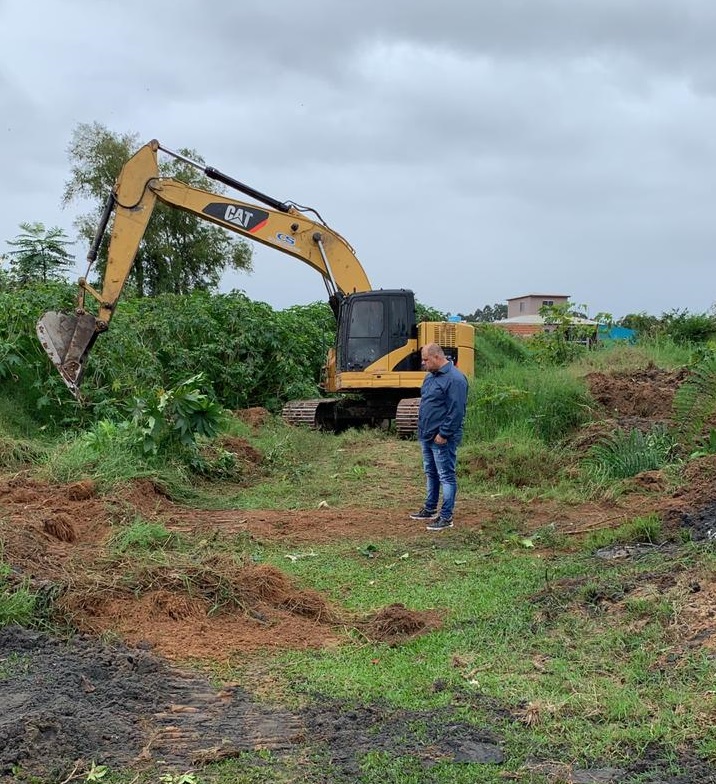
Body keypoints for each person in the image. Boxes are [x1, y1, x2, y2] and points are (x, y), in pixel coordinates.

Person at [410, 343, 469, 531]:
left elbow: (456, 411)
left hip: (442, 437)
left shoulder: (455, 379)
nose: (423, 363)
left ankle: (446, 516)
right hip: (427, 435)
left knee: (446, 475)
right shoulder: (430, 378)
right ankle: (429, 508)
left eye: (426, 359)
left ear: (437, 357)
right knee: (431, 472)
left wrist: (443, 433)